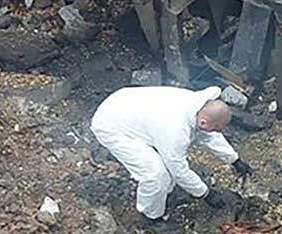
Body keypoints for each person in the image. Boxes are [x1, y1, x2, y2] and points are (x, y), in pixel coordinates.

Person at [90, 85, 254, 223]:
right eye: (216, 128)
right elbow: (179, 169)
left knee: (164, 171)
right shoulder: (175, 131)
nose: (218, 132)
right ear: (204, 122)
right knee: (155, 174)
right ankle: (150, 216)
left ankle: (161, 196)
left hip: (127, 106)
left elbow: (210, 135)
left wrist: (234, 160)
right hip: (111, 125)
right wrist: (205, 193)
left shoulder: (199, 105)